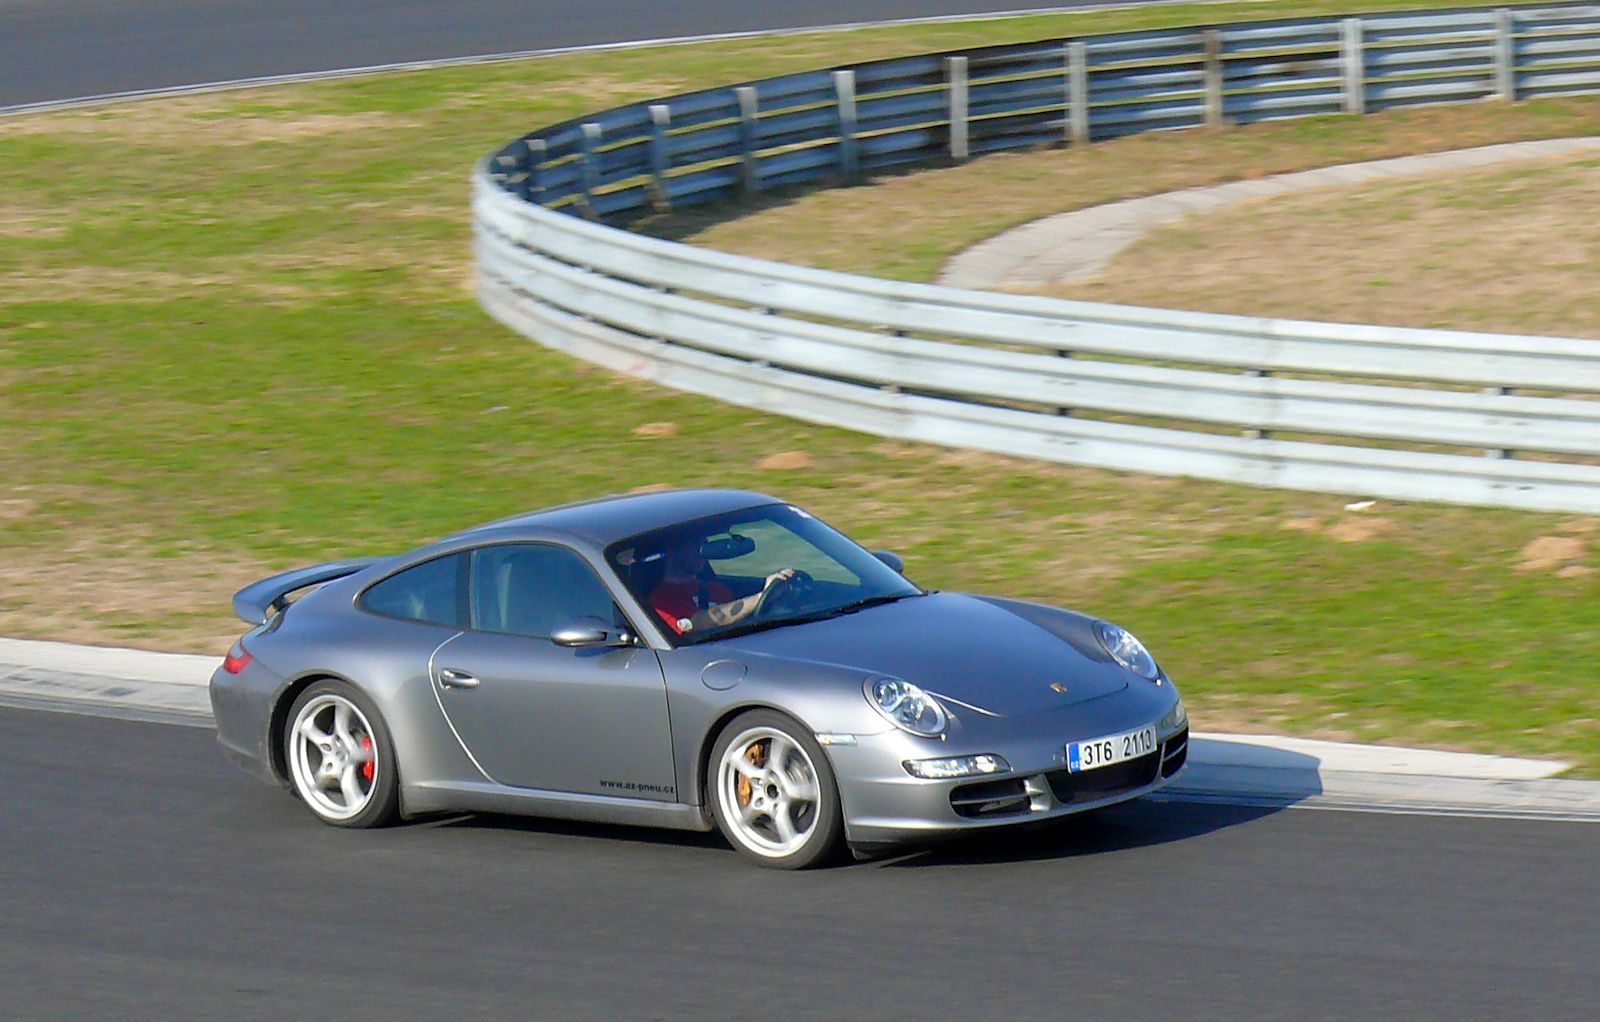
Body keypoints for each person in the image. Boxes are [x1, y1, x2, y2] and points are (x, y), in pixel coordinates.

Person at [647, 534, 795, 636]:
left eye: (705, 544)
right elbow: (702, 622)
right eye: (695, 545)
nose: (703, 551)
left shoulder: (717, 589)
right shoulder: (662, 601)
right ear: (673, 550)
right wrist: (760, 597)